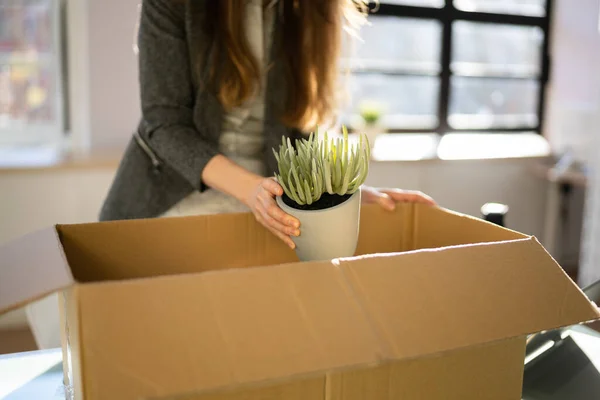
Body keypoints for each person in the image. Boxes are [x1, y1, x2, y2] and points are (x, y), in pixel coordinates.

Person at [99, 0, 435, 249]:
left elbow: (301, 130)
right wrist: (252, 190)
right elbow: (164, 124)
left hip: (270, 200)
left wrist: (343, 194)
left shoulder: (314, 10)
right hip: (171, 199)